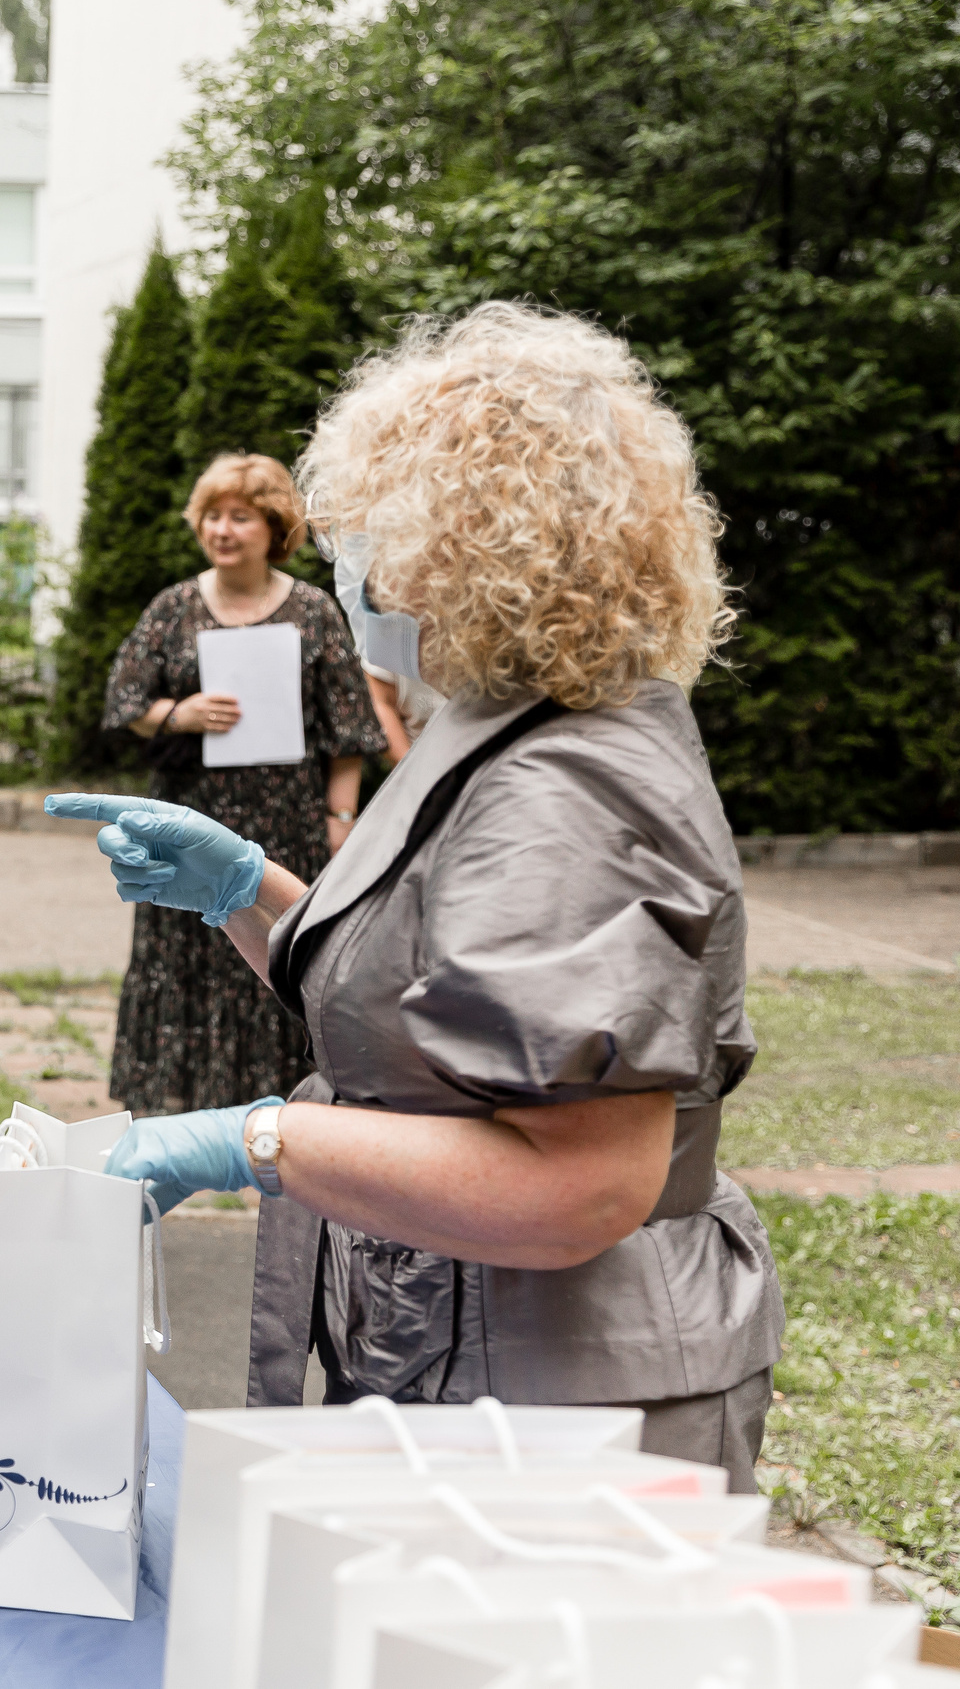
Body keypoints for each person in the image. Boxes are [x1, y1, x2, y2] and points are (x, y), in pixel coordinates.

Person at [48, 304, 777, 1491]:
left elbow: (582, 1180)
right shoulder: (503, 724)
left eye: (380, 536)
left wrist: (251, 1141)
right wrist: (245, 890)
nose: (362, 573)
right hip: (478, 1351)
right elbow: (437, 1004)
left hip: (566, 1404)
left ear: (474, 547)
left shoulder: (570, 780)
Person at [91, 453, 385, 1116]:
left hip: (286, 822)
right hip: (188, 818)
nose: (223, 530)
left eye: (241, 517)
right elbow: (123, 700)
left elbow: (349, 732)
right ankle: (184, 1107)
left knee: (282, 949)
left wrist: (340, 820)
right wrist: (178, 713)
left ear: (274, 526)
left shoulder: (312, 611)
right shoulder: (173, 607)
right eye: (214, 516)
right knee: (188, 951)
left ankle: (287, 1104)